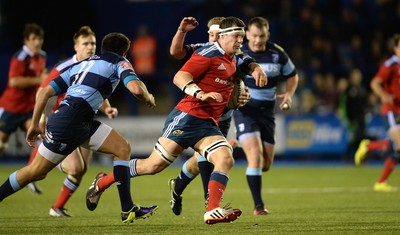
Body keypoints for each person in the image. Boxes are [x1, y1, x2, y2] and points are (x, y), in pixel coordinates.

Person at [86, 16, 268, 224]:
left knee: (225, 158)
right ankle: (104, 181)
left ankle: (212, 209)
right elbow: (179, 77)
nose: (240, 41)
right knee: (152, 166)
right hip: (186, 118)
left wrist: (254, 73)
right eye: (237, 36)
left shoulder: (233, 57)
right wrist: (200, 94)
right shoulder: (207, 54)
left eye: (242, 37)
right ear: (223, 36)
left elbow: (245, 68)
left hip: (208, 124)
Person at [0, 32, 158, 223]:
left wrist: (35, 123)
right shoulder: (119, 62)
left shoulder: (81, 65)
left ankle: (128, 209)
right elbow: (136, 89)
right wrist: (149, 97)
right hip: (69, 122)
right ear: (124, 53)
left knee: (122, 148)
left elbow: (43, 93)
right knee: (36, 172)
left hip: (80, 121)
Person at [167, 16, 255, 216]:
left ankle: (178, 187)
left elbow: (239, 78)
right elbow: (176, 53)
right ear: (209, 34)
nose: (214, 36)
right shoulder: (201, 49)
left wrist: (245, 92)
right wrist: (181, 31)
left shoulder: (235, 52)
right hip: (200, 113)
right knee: (207, 158)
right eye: (211, 33)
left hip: (223, 116)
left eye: (217, 32)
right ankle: (211, 202)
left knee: (200, 159)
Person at [29, 26, 119, 217]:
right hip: (64, 122)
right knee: (74, 167)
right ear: (76, 47)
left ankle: (57, 207)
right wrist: (42, 117)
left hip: (84, 121)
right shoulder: (64, 66)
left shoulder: (97, 63)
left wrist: (107, 108)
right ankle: (47, 155)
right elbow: (42, 92)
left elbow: (97, 92)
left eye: (93, 43)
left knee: (81, 170)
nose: (90, 47)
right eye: (85, 44)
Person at [232, 16, 299, 215]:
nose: (258, 40)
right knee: (255, 157)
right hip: (245, 111)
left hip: (268, 114)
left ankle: (234, 148)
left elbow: (293, 75)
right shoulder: (239, 54)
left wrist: (288, 94)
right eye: (254, 36)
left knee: (265, 164)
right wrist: (234, 94)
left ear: (267, 35)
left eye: (262, 36)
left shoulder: (277, 53)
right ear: (247, 36)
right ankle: (258, 206)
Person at [0, 22, 47, 195]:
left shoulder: (42, 56)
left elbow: (40, 81)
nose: (37, 42)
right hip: (11, 108)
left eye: (39, 39)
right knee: (1, 145)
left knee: (42, 135)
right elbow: (14, 81)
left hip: (28, 109)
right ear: (26, 40)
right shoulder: (21, 57)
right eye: (33, 39)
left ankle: (30, 174)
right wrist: (40, 80)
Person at [361, 33, 400, 192]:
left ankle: (370, 146)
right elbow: (374, 82)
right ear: (395, 48)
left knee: (397, 148)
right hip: (391, 110)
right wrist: (384, 95)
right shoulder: (391, 64)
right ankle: (381, 181)